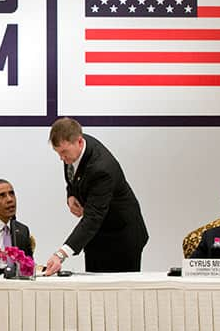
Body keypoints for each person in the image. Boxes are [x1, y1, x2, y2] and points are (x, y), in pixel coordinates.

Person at [43, 117, 149, 275]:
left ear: (79, 142)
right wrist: (71, 195)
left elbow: (93, 217)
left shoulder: (102, 169)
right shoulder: (74, 149)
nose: (61, 158)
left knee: (118, 294)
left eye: (64, 152)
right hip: (97, 235)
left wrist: (61, 254)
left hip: (122, 236)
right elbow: (73, 175)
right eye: (58, 153)